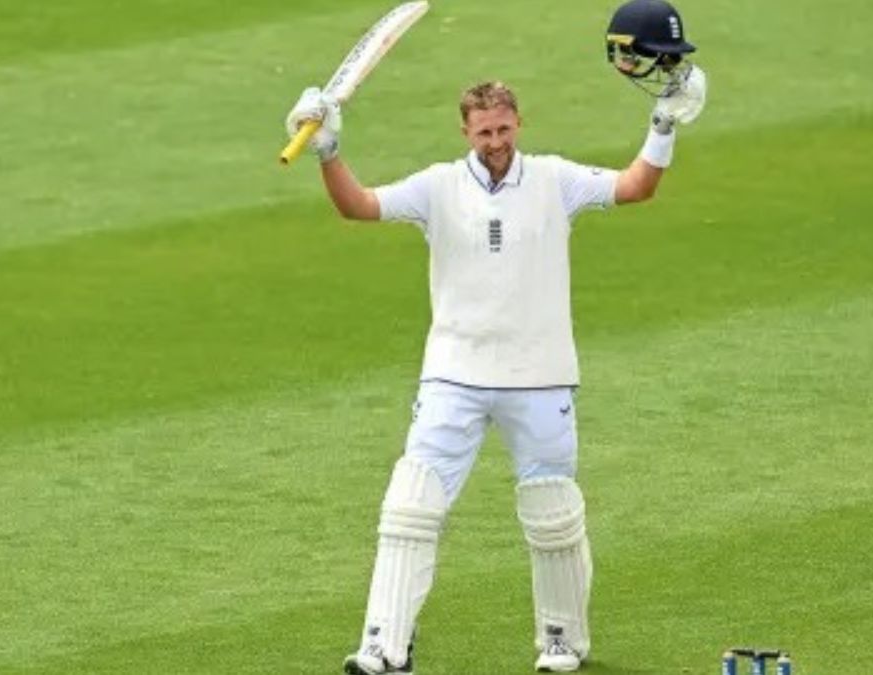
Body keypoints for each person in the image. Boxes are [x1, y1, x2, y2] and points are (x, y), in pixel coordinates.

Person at [284, 6, 704, 673]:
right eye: (484, 131)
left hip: (539, 376)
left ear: (518, 125)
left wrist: (663, 125)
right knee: (410, 503)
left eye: (504, 128)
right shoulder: (438, 187)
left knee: (552, 510)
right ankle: (383, 646)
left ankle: (561, 640)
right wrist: (330, 150)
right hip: (453, 373)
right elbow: (357, 206)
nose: (496, 140)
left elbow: (635, 187)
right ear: (466, 130)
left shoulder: (556, 179)